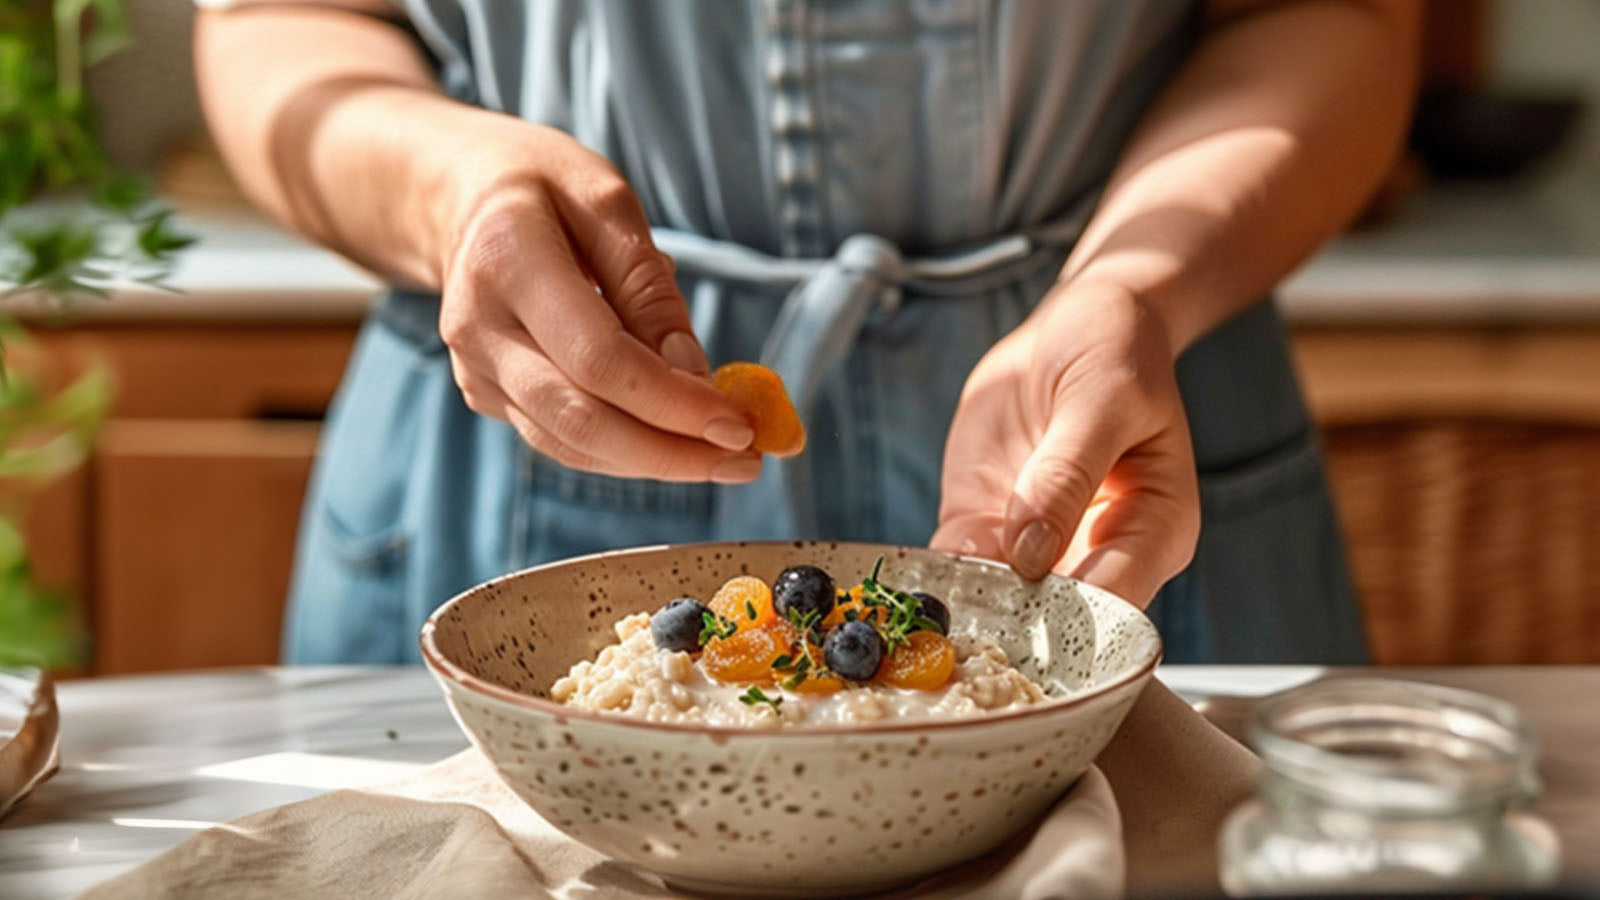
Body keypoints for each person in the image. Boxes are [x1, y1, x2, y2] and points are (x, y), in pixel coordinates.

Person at [194, 0, 1418, 665]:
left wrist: (1137, 287)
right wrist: (447, 189)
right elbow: (271, 22)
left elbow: (1336, 19)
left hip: (1112, 426)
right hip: (514, 457)